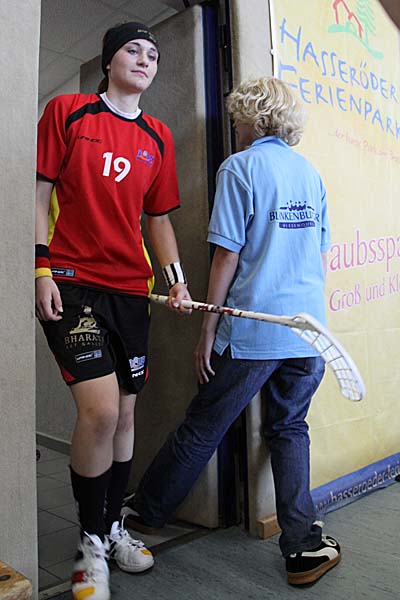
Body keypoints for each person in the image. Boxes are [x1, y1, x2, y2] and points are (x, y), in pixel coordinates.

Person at [122, 76, 341, 586]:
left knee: (204, 425)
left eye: (239, 116)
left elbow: (226, 255)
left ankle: (146, 512)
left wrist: (208, 329)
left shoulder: (239, 167)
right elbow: (318, 252)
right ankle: (303, 546)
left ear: (254, 118)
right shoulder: (310, 173)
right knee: (290, 428)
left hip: (254, 330)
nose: (235, 124)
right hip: (309, 332)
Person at [35, 21, 191, 600]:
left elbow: (158, 219)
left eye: (153, 54)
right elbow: (38, 193)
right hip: (72, 283)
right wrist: (40, 269)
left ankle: (110, 527)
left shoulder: (158, 136)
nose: (145, 60)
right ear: (108, 61)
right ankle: (91, 542)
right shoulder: (69, 112)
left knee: (125, 416)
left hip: (131, 290)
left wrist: (176, 281)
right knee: (99, 412)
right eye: (133, 49)